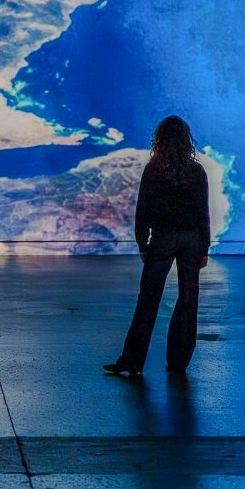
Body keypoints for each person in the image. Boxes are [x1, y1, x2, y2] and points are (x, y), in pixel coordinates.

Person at [104, 115, 211, 378]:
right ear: (187, 140)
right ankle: (178, 363)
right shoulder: (197, 171)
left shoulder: (154, 169)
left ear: (160, 139)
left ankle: (132, 361)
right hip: (191, 240)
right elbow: (202, 213)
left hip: (163, 239)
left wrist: (142, 242)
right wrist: (204, 247)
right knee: (188, 301)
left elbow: (144, 209)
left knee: (148, 301)